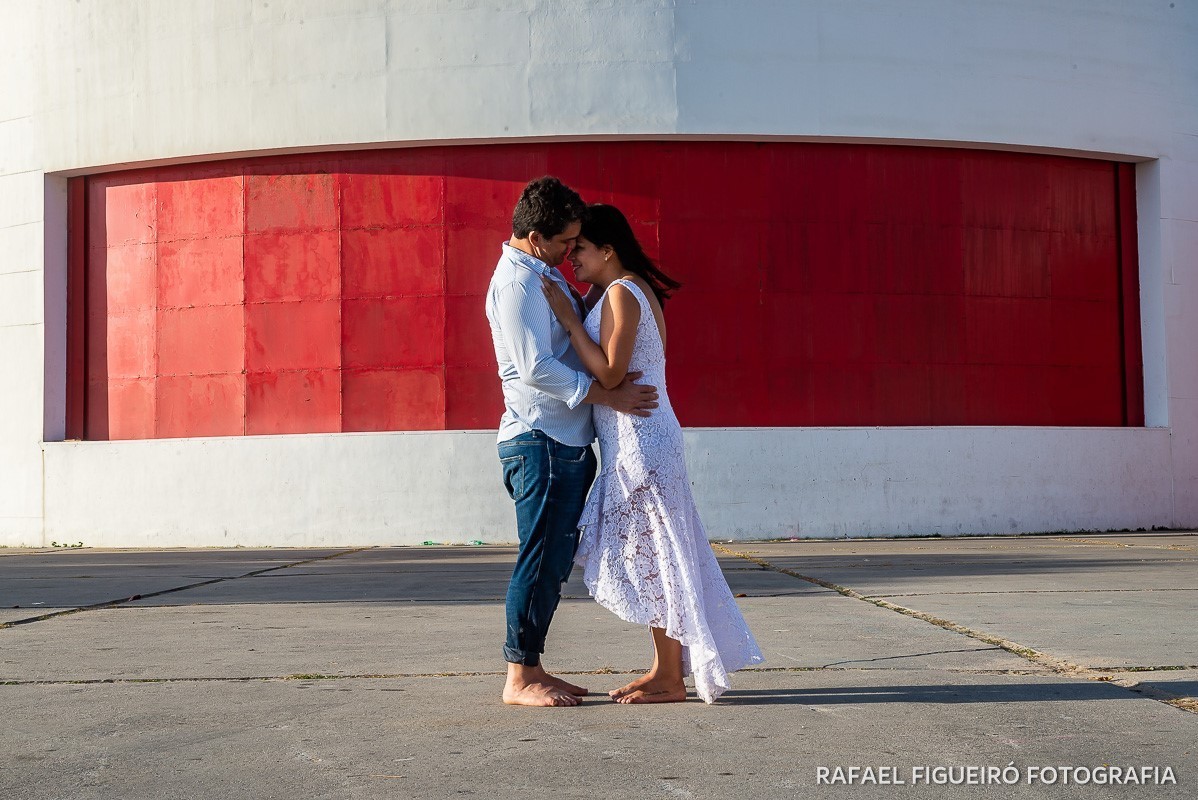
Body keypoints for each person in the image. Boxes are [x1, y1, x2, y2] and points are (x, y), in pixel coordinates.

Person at [539, 203, 765, 704]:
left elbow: (613, 374)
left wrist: (567, 320)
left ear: (607, 250)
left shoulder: (623, 293)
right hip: (635, 437)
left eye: (578, 249)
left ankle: (670, 675)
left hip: (642, 441)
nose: (571, 258)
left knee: (657, 553)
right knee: (653, 553)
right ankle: (665, 668)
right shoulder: (618, 291)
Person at [486, 177, 660, 707]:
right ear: (536, 237)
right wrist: (606, 397)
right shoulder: (517, 284)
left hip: (561, 441)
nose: (570, 252)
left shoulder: (541, 274)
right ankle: (518, 678)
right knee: (540, 558)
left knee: (554, 560)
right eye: (566, 242)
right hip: (539, 441)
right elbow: (536, 367)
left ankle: (532, 665)